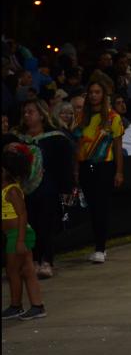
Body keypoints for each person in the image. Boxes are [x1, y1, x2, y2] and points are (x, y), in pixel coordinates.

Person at [13, 99, 74, 279]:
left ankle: (46, 261)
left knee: (46, 225)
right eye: (25, 112)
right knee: (28, 226)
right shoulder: (17, 138)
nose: (27, 116)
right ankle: (31, 261)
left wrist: (66, 188)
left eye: (31, 112)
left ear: (41, 114)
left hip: (48, 187)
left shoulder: (56, 138)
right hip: (24, 189)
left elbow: (64, 166)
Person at [73, 80, 125, 264]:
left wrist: (119, 171)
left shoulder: (113, 117)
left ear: (103, 95)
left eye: (97, 92)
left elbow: (118, 146)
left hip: (105, 166)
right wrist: (77, 169)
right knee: (93, 207)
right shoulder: (81, 117)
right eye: (91, 92)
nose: (94, 95)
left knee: (101, 207)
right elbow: (78, 146)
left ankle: (100, 247)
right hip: (86, 165)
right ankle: (98, 244)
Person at [1, 143, 47, 320]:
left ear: (5, 171)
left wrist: (20, 240)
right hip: (14, 235)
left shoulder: (12, 191)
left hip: (18, 235)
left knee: (13, 270)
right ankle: (36, 306)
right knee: (26, 270)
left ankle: (16, 305)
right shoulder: (6, 189)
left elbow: (22, 214)